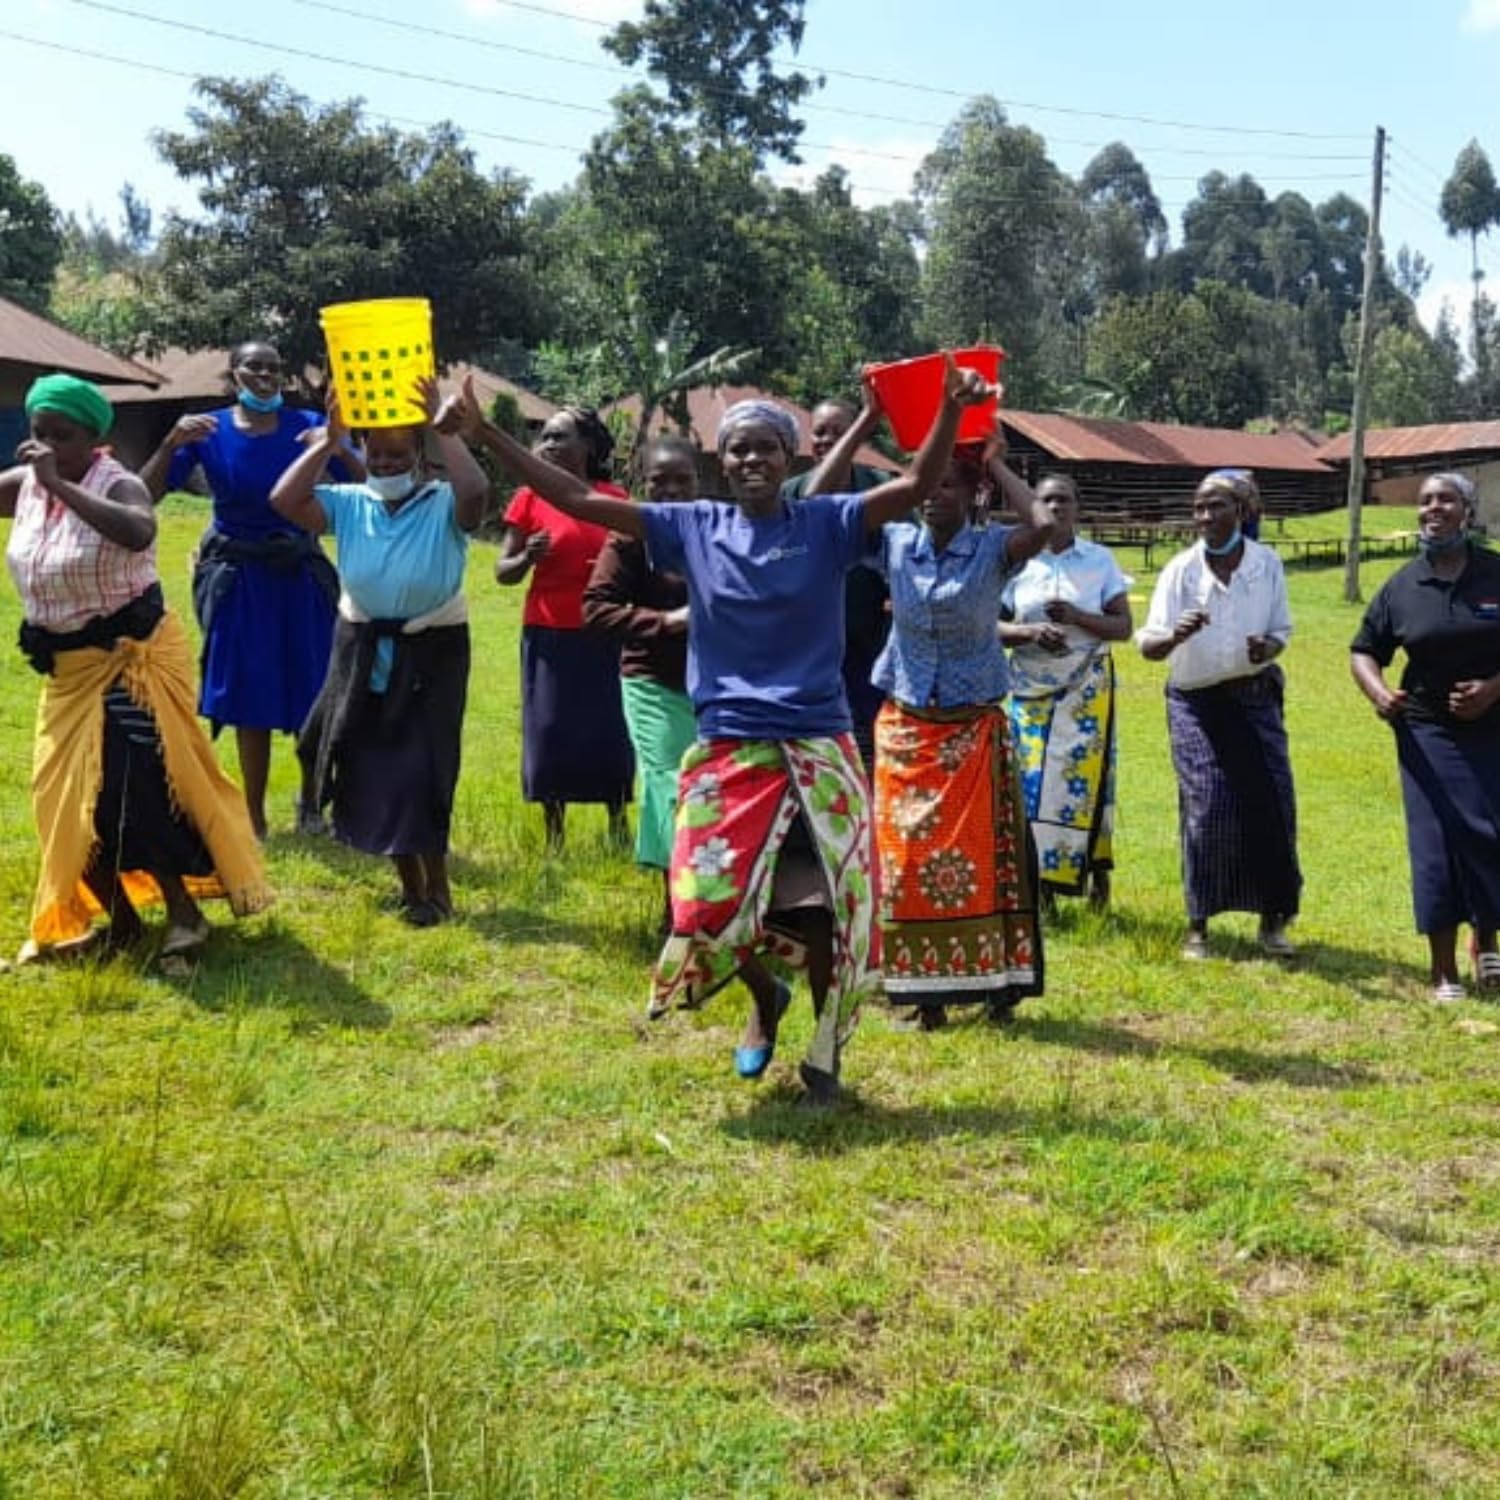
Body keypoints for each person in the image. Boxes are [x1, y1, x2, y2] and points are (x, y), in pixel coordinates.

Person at [463, 361, 994, 1103]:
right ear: (723, 461)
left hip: (816, 741)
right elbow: (578, 496)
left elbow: (908, 489)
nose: (751, 459)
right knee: (701, 905)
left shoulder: (824, 523)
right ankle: (761, 997)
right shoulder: (692, 526)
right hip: (729, 743)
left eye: (765, 449)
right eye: (738, 449)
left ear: (788, 460)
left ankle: (823, 1060)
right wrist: (486, 432)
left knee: (828, 915)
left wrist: (941, 409)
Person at [2, 374, 270, 963]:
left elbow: (138, 531)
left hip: (127, 663)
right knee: (64, 800)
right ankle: (119, 922)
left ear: (94, 437)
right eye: (37, 433)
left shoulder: (117, 484)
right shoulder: (23, 486)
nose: (46, 446)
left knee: (132, 791)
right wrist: (42, 483)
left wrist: (61, 487)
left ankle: (183, 913)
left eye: (61, 436)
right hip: (66, 672)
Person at [814, 401, 1055, 1027]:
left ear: (971, 492)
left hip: (973, 731)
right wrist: (866, 422)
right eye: (925, 483)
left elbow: (1046, 526)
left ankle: (996, 983)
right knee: (904, 860)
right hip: (905, 727)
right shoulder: (893, 542)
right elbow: (821, 504)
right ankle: (923, 996)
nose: (931, 496)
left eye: (947, 483)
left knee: (983, 863)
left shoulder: (994, 549)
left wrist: (997, 464)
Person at [270, 377, 487, 926]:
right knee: (369, 762)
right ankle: (409, 887)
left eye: (399, 453)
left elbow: (478, 495)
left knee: (421, 767)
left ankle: (438, 891)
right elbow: (284, 500)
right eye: (377, 452)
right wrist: (327, 442)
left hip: (431, 654)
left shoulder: (440, 502)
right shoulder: (349, 502)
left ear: (419, 456)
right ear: (362, 450)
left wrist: (446, 430)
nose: (387, 463)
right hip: (361, 649)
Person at [141, 340, 353, 839]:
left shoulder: (307, 427)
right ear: (233, 373)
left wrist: (339, 443)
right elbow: (144, 495)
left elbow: (368, 482)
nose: (266, 376)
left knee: (315, 686)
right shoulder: (207, 431)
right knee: (246, 692)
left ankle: (311, 803)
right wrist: (170, 444)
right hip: (239, 577)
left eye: (275, 369)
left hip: (300, 572)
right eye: (254, 367)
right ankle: (253, 815)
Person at [1137, 468, 1300, 960]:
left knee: (1272, 803)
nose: (1206, 516)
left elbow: (1282, 629)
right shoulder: (1180, 571)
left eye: (1217, 506)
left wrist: (1267, 645)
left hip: (1254, 699)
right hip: (1196, 702)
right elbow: (1149, 646)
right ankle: (1199, 924)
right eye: (1200, 507)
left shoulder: (1265, 565)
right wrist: (1176, 636)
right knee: (1206, 806)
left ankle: (1274, 921)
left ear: (1242, 513)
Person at [1350, 472, 1500, 1001]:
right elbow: (1364, 648)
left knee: (1489, 833)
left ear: (1468, 510)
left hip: (1494, 730)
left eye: (1446, 500)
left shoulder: (1494, 573)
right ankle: (1443, 971)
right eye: (1425, 501)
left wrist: (1492, 689)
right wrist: (1378, 693)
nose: (1433, 509)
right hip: (1425, 731)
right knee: (1438, 841)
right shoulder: (1402, 585)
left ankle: (1486, 942)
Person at [498, 407, 634, 851]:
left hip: (606, 631)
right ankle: (554, 831)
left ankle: (617, 821)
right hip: (550, 630)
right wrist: (527, 557)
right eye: (546, 438)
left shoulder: (615, 498)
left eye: (561, 437)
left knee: (610, 728)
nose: (549, 445)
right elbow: (503, 570)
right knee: (551, 729)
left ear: (589, 446)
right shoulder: (530, 498)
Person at [582, 435, 697, 933]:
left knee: (707, 793)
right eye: (659, 481)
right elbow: (596, 608)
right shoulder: (630, 536)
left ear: (701, 481)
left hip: (715, 686)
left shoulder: (717, 528)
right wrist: (668, 622)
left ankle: (705, 908)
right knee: (674, 789)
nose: (671, 490)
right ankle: (680, 915)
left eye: (682, 480)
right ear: (640, 485)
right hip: (652, 680)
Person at [1000, 474, 1132, 908]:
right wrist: (1029, 632)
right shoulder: (1017, 560)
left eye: (1064, 500)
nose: (1055, 508)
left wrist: (1078, 616)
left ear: (1077, 507)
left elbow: (1124, 627)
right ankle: (1043, 885)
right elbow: (989, 626)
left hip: (1085, 690)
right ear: (1032, 506)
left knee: (1083, 783)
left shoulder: (1098, 560)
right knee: (1032, 784)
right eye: (1046, 500)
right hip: (1029, 691)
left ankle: (1096, 874)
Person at [781, 399, 893, 767]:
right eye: (820, 432)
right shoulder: (789, 495)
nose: (827, 440)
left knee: (869, 744)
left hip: (869, 645)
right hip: (806, 648)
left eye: (839, 432)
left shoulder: (880, 487)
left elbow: (908, 554)